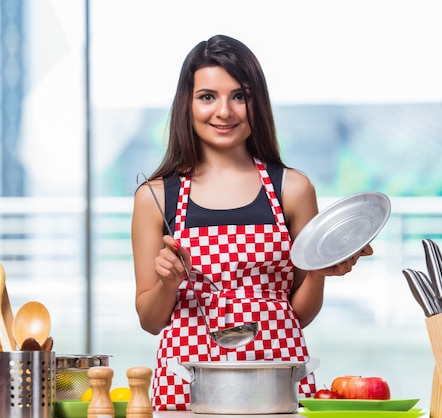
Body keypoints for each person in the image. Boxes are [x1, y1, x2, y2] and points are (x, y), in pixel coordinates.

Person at [131, 34, 373, 411]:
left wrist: (321, 269)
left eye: (240, 96)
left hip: (276, 373)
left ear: (257, 103)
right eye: (207, 96)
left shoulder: (292, 189)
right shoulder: (155, 198)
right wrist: (167, 283)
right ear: (187, 104)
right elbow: (150, 319)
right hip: (186, 382)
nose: (224, 111)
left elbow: (301, 313)